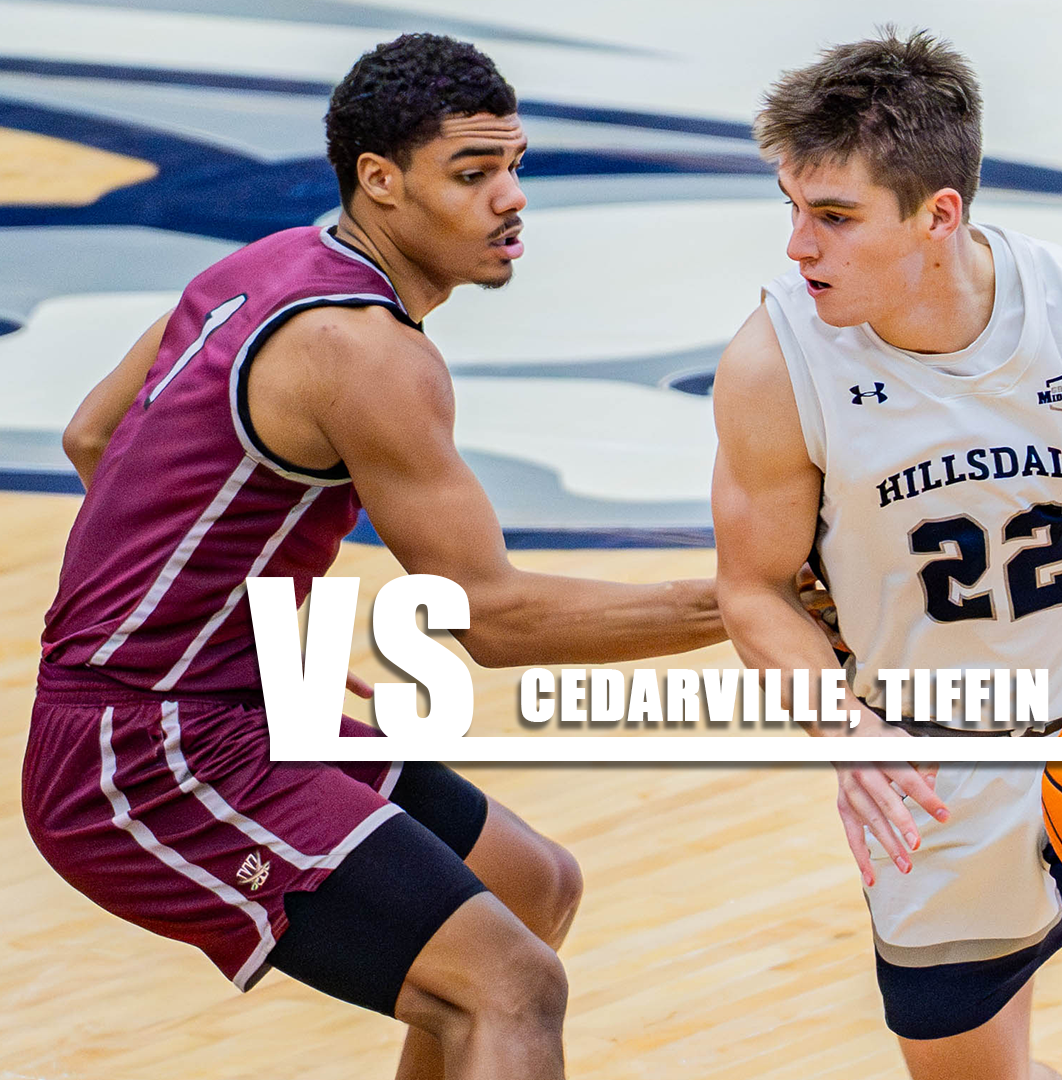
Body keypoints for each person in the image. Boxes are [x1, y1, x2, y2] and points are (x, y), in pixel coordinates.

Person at [24, 34, 724, 1080]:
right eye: (474, 174)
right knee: (511, 986)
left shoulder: (260, 266)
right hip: (141, 752)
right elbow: (491, 621)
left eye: (514, 168)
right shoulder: (366, 352)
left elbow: (92, 436)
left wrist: (260, 638)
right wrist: (742, 601)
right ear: (381, 182)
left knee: (532, 887)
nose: (512, 199)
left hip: (230, 705)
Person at [711, 30, 1062, 1080]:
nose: (799, 248)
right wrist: (844, 728)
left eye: (833, 217)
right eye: (791, 208)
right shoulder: (773, 365)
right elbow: (752, 592)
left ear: (940, 216)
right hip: (933, 767)